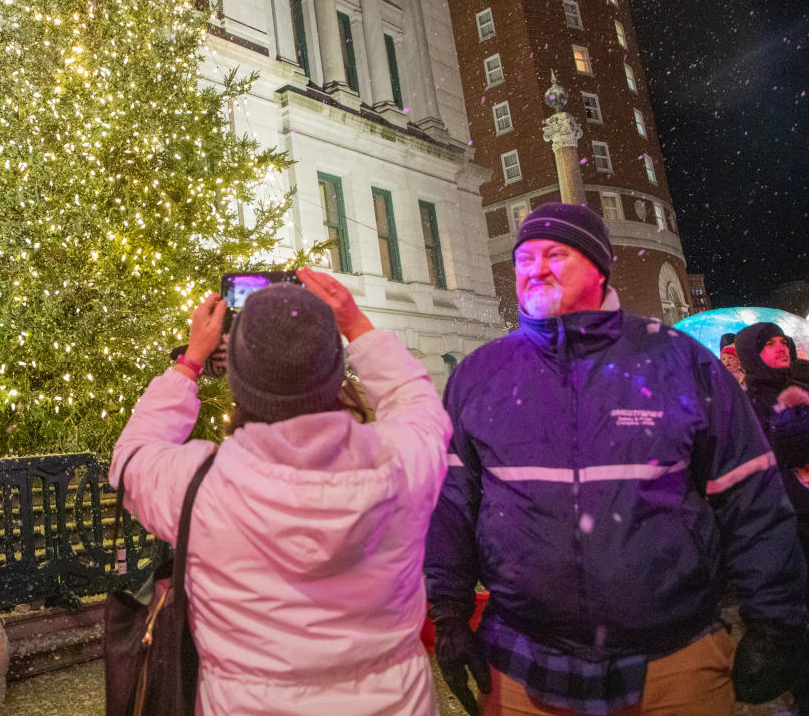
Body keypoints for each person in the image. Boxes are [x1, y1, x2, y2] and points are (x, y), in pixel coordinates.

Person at [423, 203, 807, 716]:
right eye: (524, 258)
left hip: (673, 660)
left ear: (599, 266)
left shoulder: (677, 360)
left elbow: (749, 492)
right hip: (522, 663)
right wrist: (448, 614)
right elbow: (451, 503)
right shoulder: (481, 374)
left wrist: (776, 620)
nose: (534, 268)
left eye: (555, 254)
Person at [110, 267, 452, 715]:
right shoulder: (401, 463)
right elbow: (415, 399)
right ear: (335, 373)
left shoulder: (198, 486)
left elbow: (130, 458)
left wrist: (190, 360)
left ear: (237, 378)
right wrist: (355, 324)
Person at [735, 322, 809, 714]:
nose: (782, 349)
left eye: (784, 342)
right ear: (751, 352)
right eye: (769, 344)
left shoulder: (801, 388)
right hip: (789, 519)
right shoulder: (749, 403)